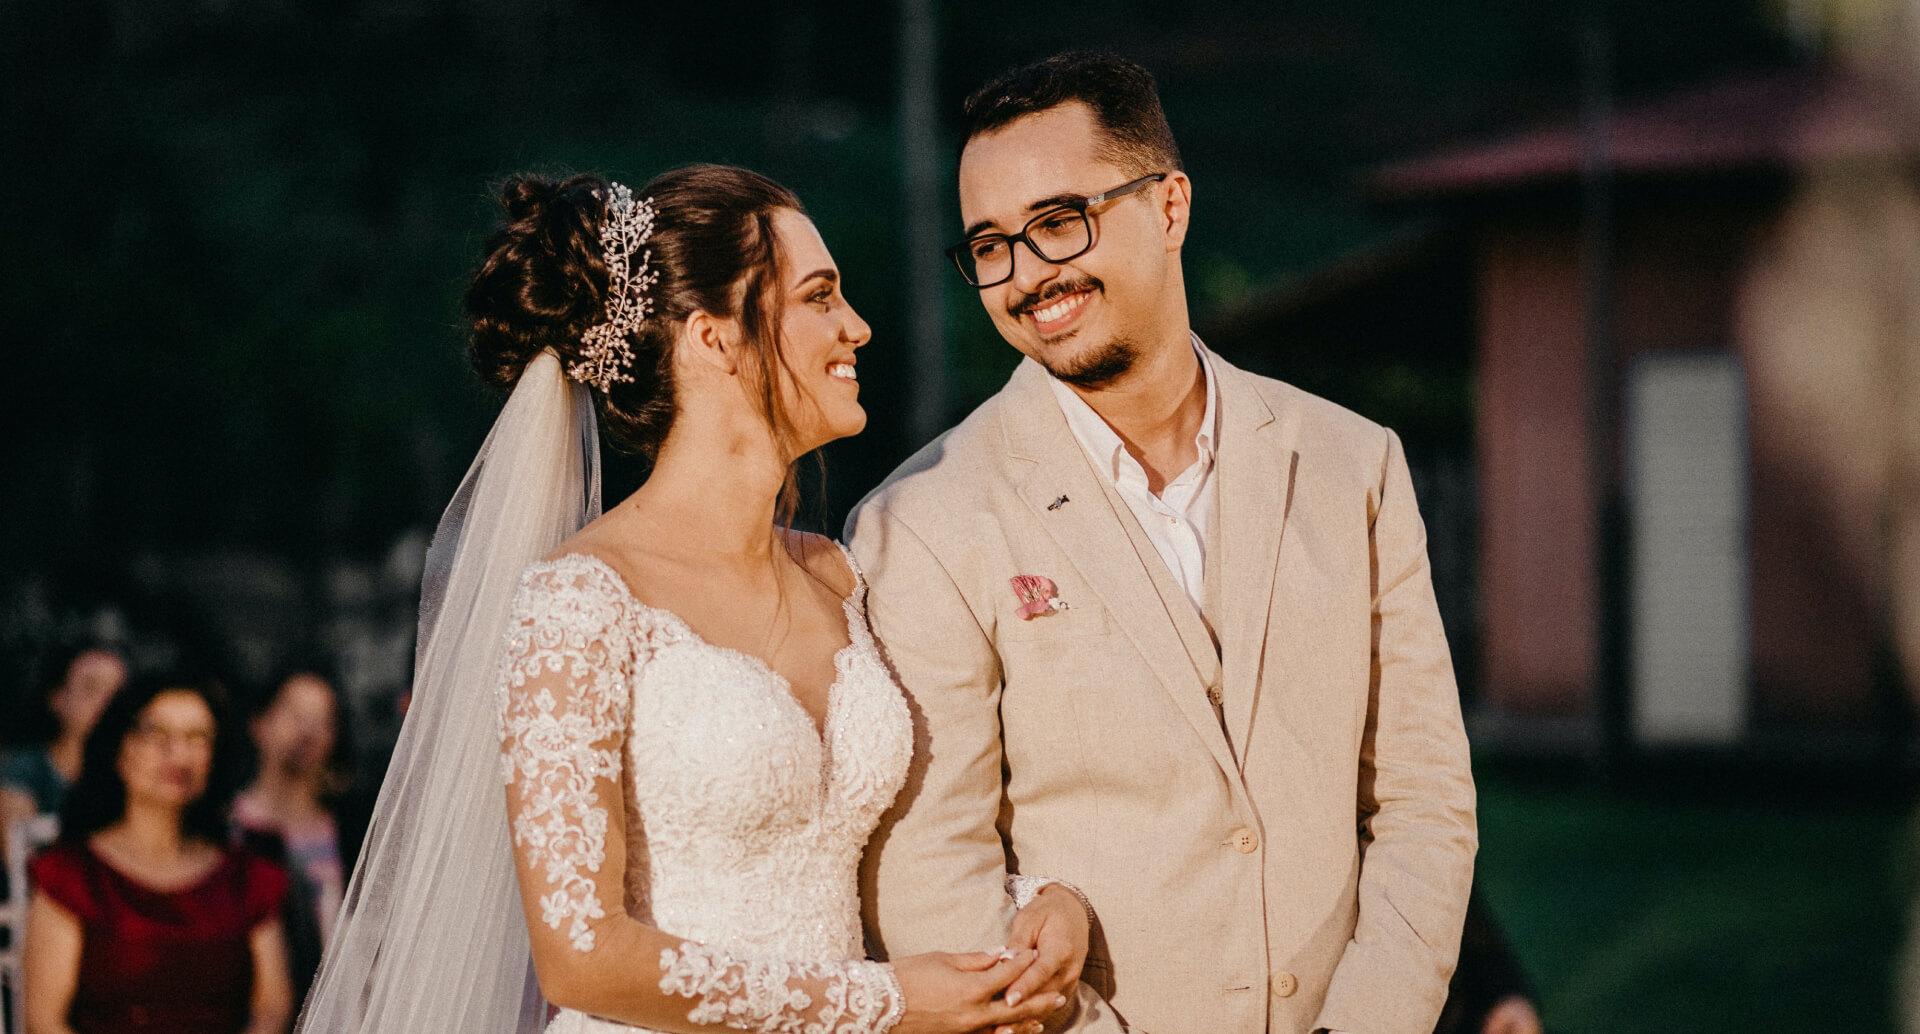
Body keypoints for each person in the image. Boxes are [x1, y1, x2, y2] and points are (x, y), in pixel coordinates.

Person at [297, 166, 1088, 1034]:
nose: (857, 326)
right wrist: (885, 1001)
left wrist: (1037, 902)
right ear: (714, 338)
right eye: (819, 296)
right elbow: (580, 954)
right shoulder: (580, 602)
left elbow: (889, 850)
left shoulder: (838, 575)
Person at [847, 51, 1478, 1034]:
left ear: (1171, 206)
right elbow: (932, 875)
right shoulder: (923, 521)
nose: (1028, 275)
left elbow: (1422, 797)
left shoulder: (1354, 464)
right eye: (991, 245)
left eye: (1061, 221)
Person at [21, 673, 294, 1034]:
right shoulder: (70, 875)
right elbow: (44, 1020)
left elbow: (271, 1012)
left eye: (197, 738)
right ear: (119, 747)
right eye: (157, 734)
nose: (179, 755)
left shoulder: (248, 878)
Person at [234, 665, 352, 1007]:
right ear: (259, 722)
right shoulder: (227, 828)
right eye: (295, 714)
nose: (308, 731)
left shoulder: (350, 831)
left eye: (322, 721)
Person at [1, 644, 128, 821]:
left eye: (117, 693)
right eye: (91, 688)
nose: (106, 702)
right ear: (58, 698)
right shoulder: (23, 772)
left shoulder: (132, 774)